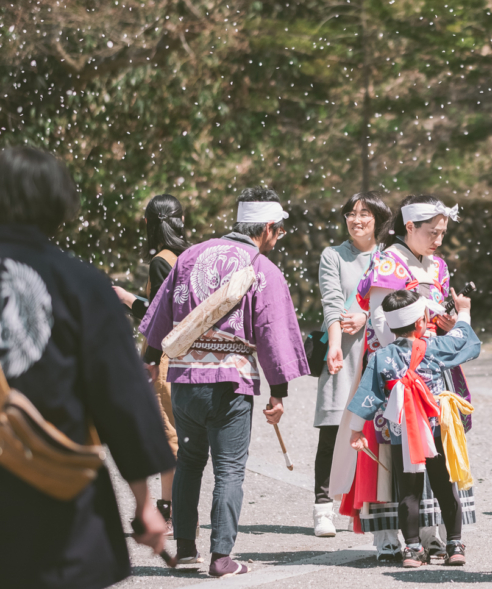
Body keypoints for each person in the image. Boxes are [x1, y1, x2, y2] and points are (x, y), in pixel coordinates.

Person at [0, 146, 174, 589]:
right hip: (54, 493)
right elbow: (120, 395)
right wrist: (144, 503)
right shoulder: (82, 283)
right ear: (59, 202)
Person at [140, 187, 309, 578]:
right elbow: (272, 332)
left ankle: (184, 551)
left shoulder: (191, 255)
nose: (278, 238)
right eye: (279, 231)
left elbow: (159, 316)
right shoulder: (261, 268)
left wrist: (149, 361)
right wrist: (278, 392)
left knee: (189, 464)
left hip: (184, 379)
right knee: (230, 469)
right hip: (230, 383)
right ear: (267, 228)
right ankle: (221, 558)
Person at [333, 194, 475, 561]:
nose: (438, 240)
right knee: (392, 457)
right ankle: (389, 536)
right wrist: (409, 357)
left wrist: (442, 325)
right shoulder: (388, 264)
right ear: (409, 226)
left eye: (443, 232)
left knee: (431, 458)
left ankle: (429, 533)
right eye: (432, 232)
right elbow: (382, 322)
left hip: (427, 367)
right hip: (397, 371)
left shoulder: (438, 266)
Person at [347, 289, 479, 568]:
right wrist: (464, 310)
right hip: (436, 428)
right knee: (445, 485)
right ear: (421, 323)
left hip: (404, 432)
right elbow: (462, 338)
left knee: (409, 491)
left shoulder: (381, 357)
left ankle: (412, 549)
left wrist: (356, 430)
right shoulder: (433, 348)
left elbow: (367, 395)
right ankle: (455, 545)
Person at [311, 192, 391, 537]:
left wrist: (366, 317)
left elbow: (398, 302)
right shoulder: (333, 256)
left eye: (365, 214)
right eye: (351, 214)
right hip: (343, 351)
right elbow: (331, 301)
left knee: (377, 431)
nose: (357, 220)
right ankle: (323, 508)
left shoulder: (390, 257)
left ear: (379, 219)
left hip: (379, 353)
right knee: (334, 430)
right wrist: (333, 344)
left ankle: (366, 506)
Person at [111, 193, 191, 534]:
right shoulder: (190, 256)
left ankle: (170, 512)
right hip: (193, 356)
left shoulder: (162, 261)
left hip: (168, 359)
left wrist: (127, 298)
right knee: (186, 437)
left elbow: (161, 317)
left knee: (169, 437)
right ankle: (177, 510)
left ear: (149, 224)